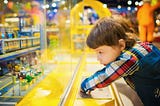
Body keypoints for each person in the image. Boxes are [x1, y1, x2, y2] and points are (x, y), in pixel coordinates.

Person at [80, 17, 160, 106]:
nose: (98, 58)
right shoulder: (139, 45)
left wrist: (84, 85)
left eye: (100, 52)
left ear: (121, 44)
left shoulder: (128, 59)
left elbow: (105, 76)